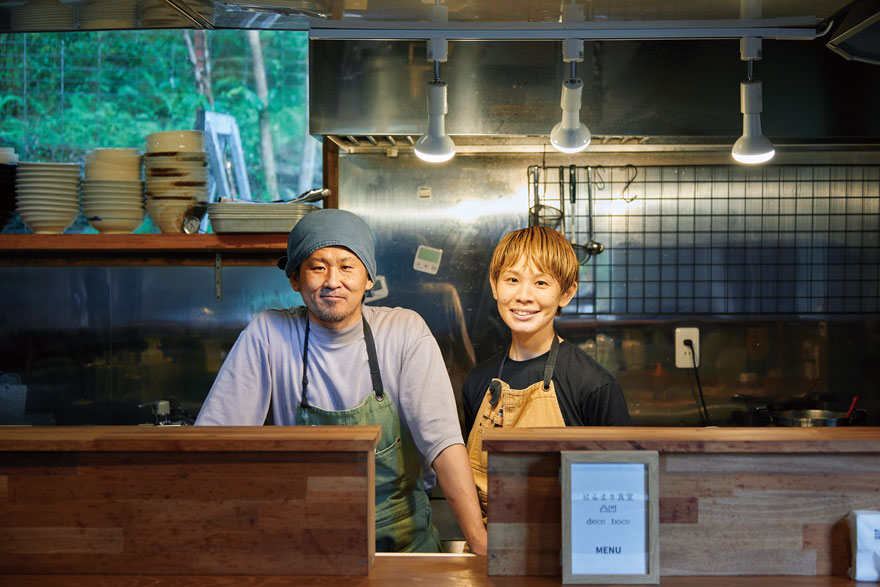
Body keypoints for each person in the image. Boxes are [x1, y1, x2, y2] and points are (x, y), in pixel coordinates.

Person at [196, 208, 487, 555]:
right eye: (318, 267)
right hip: (301, 547)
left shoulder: (404, 332)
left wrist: (481, 543)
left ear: (368, 279)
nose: (333, 281)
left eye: (347, 267)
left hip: (402, 546)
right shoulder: (268, 334)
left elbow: (443, 443)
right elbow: (214, 447)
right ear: (294, 278)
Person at [462, 226, 631, 518]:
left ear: (566, 293)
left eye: (541, 283)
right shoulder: (478, 383)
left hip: (567, 554)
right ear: (494, 285)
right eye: (512, 279)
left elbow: (621, 498)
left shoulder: (593, 386)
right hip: (487, 551)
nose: (524, 296)